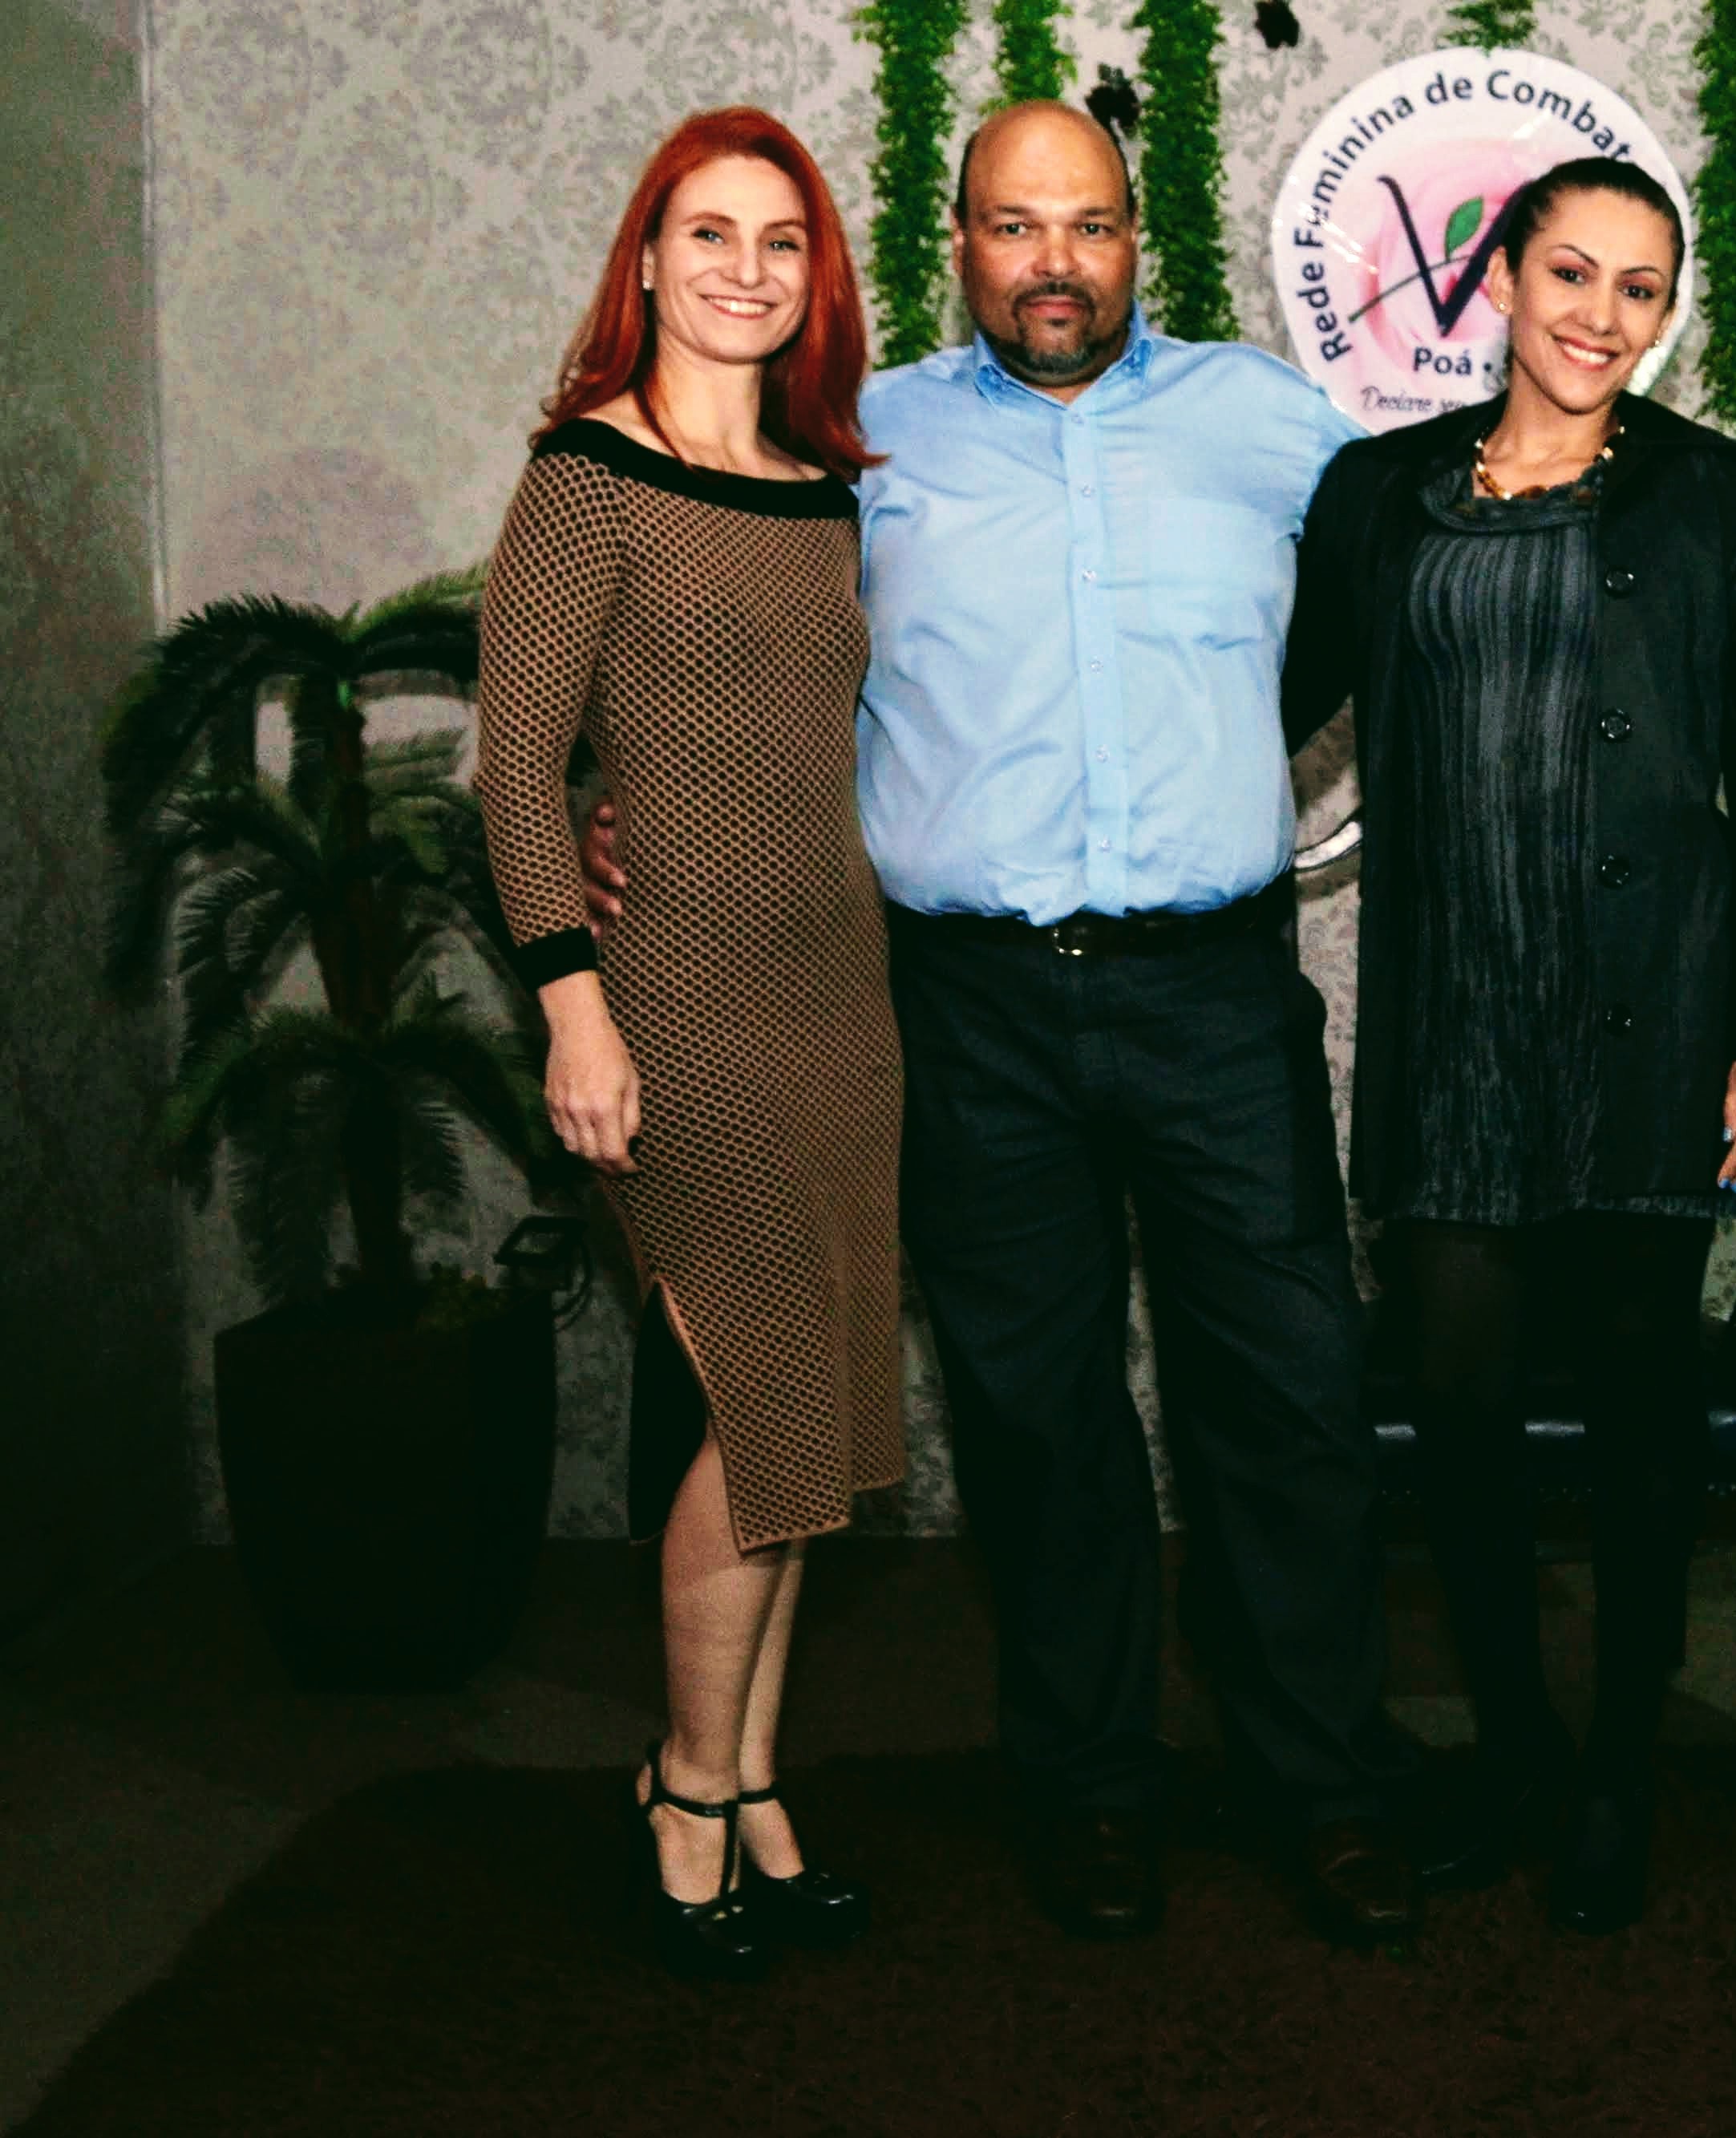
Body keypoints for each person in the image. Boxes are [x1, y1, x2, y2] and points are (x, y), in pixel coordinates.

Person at [585, 101, 1420, 1946]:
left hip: (1214, 993)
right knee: (1037, 1420)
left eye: (1091, 224)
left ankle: (1328, 1787)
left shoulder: (1268, 421)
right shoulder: (864, 443)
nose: (1056, 262)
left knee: (1287, 1398)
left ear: (1138, 239)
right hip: (965, 1008)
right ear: (959, 241)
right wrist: (615, 802)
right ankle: (1091, 1789)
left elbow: (1392, 600)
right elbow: (732, 650)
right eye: (1017, 225)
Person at [1281, 158, 1736, 1934]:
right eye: (1572, 273)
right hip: (1455, 1025)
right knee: (1461, 1416)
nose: (1602, 315)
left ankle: (1617, 1776)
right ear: (1501, 277)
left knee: (1644, 1410)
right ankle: (1516, 1744)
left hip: (1647, 1021)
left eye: (1640, 288)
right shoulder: (1378, 493)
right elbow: (1257, 704)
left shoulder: (1715, 491)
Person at [478, 107, 898, 1981]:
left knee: (817, 1429)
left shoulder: (822, 490)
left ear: (816, 279)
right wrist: (572, 1000)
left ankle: (751, 1776)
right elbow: (514, 767)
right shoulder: (589, 475)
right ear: (645, 261)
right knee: (757, 1407)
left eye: (780, 239)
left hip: (843, 1002)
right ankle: (686, 1789)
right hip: (678, 1010)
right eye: (707, 233)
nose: (744, 267)